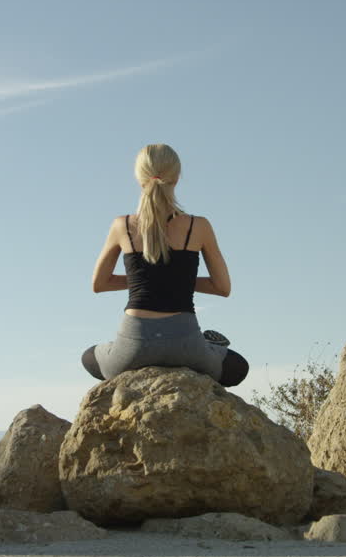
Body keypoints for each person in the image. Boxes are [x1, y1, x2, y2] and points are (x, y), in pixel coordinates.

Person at [82, 143, 249, 387]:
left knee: (89, 357)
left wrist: (147, 281)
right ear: (177, 177)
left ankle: (205, 345)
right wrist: (175, 282)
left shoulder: (122, 226)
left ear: (139, 178)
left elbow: (99, 284)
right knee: (238, 367)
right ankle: (210, 345)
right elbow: (222, 287)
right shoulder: (199, 226)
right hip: (186, 345)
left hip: (133, 348)